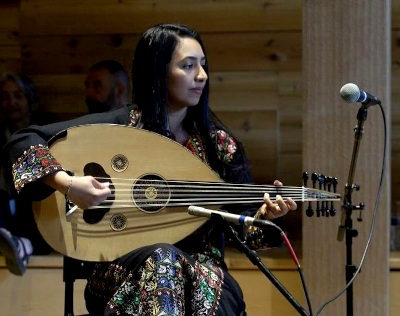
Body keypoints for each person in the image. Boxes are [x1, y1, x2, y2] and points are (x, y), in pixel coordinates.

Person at [4, 23, 297, 315]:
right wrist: (67, 183)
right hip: (121, 269)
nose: (202, 75)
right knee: (162, 261)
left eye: (203, 65)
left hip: (203, 275)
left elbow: (243, 226)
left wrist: (265, 217)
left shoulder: (219, 147)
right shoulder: (121, 126)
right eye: (188, 65)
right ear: (158, 71)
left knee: (176, 272)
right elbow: (22, 140)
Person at [0, 72, 51, 276]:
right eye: (4, 97)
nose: (11, 102)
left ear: (30, 101)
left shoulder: (42, 135)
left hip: (34, 209)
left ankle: (25, 244)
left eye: (18, 96)